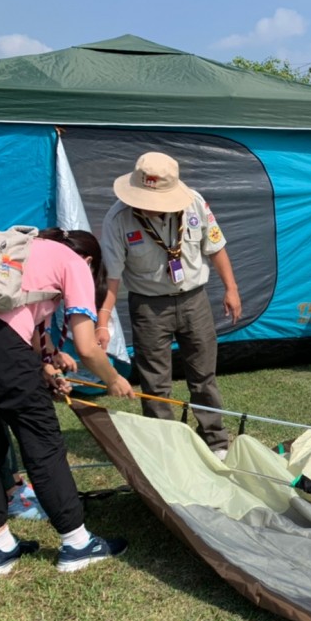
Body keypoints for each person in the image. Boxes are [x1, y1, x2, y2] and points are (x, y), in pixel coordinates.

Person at [0, 228, 135, 577]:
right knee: (42, 443)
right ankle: (77, 543)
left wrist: (42, 366)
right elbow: (87, 346)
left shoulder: (21, 249)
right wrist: (113, 378)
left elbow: (27, 332)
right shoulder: (72, 261)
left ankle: (0, 549)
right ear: (88, 260)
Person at [99, 152, 241, 460]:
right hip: (148, 307)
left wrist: (231, 288)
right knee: (155, 382)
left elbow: (216, 247)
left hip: (194, 300)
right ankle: (165, 446)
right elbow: (112, 277)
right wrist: (102, 321)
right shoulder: (118, 219)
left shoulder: (195, 203)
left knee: (203, 376)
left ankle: (215, 440)